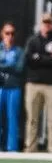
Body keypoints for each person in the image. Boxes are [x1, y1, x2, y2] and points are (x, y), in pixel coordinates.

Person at [22, 11, 52, 152]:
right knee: (32, 118)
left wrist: (40, 57)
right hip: (33, 83)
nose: (47, 26)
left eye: (49, 23)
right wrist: (49, 58)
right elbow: (29, 59)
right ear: (41, 24)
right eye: (44, 23)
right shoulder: (33, 40)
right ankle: (31, 147)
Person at [0, 22, 24, 152]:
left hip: (14, 87)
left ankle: (11, 147)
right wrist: (10, 65)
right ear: (2, 34)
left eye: (12, 33)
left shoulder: (19, 51)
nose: (10, 36)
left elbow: (19, 68)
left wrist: (3, 65)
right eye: (7, 33)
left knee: (12, 117)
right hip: (1, 87)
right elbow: (14, 67)